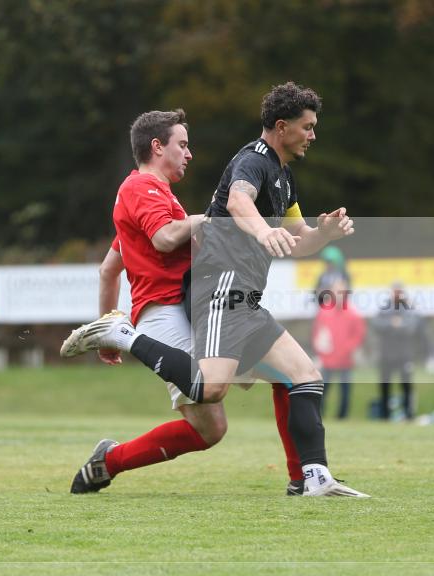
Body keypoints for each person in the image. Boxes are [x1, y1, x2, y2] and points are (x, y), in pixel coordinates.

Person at [62, 82, 368, 497]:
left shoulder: (170, 197)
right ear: (157, 146)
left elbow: (109, 267)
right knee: (213, 394)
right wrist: (210, 221)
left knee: (250, 405)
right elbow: (172, 235)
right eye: (182, 144)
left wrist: (323, 235)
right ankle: (124, 339)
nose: (189, 153)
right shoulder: (144, 188)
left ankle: (307, 478)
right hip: (170, 307)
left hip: (198, 301)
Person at [370, 282, 434, 420]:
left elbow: (411, 327)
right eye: (394, 291)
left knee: (406, 385)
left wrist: (396, 326)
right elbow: (376, 324)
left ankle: (408, 414)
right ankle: (384, 415)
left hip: (404, 355)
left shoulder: (409, 309)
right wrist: (392, 324)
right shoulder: (385, 308)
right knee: (385, 386)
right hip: (386, 355)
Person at [312, 276, 366, 418]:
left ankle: (342, 417)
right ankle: (319, 416)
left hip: (345, 361)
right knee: (323, 390)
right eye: (336, 290)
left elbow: (358, 335)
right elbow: (318, 334)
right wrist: (320, 353)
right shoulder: (324, 312)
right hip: (328, 360)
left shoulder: (353, 313)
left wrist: (347, 349)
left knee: (345, 391)